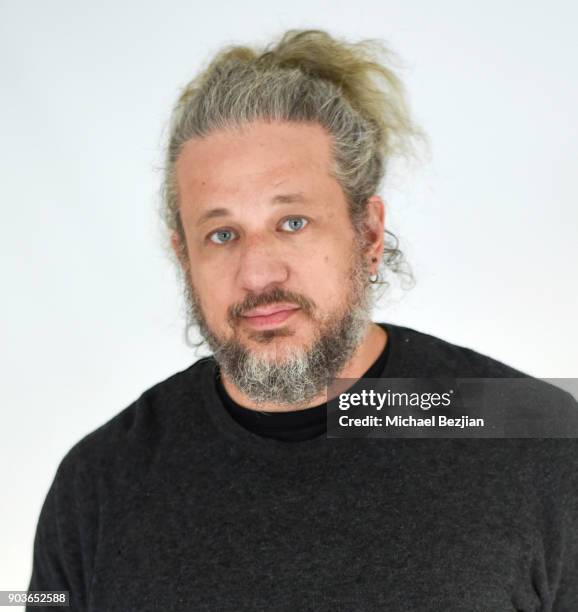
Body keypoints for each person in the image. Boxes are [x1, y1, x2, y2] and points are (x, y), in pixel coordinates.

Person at [27, 29, 577, 611]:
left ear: (367, 233)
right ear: (184, 257)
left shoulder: (538, 438)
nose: (257, 274)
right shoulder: (97, 485)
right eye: (221, 234)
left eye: (292, 222)